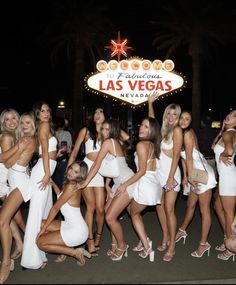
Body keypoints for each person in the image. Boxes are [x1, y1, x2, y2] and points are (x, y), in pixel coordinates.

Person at [76, 118, 135, 261]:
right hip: (118, 183)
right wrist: (108, 184)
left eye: (107, 129)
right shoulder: (112, 142)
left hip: (127, 182)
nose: (103, 131)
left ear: (113, 131)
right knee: (108, 213)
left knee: (109, 217)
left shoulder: (109, 142)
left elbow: (96, 165)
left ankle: (122, 245)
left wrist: (84, 182)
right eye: (103, 128)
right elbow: (112, 166)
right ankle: (114, 243)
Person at [0, 112, 37, 284]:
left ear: (33, 124)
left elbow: (5, 161)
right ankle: (36, 248)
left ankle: (6, 262)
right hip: (14, 181)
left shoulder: (25, 140)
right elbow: (8, 162)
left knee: (2, 222)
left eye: (26, 122)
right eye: (21, 122)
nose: (21, 124)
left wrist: (16, 148)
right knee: (18, 222)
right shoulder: (19, 139)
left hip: (19, 183)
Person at [175, 111, 217, 258]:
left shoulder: (187, 133)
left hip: (202, 175)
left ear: (190, 122)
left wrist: (191, 176)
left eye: (188, 119)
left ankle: (204, 244)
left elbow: (191, 159)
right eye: (182, 118)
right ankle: (182, 230)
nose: (184, 121)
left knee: (204, 209)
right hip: (195, 173)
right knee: (190, 205)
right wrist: (186, 176)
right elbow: (184, 158)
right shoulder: (180, 133)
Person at [21, 101, 57, 269]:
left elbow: (47, 150)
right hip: (43, 171)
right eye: (42, 111)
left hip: (45, 169)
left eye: (47, 110)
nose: (46, 113)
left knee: (43, 212)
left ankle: (40, 251)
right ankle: (32, 258)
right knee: (36, 214)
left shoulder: (46, 126)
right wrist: (48, 173)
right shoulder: (43, 125)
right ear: (37, 114)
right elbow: (44, 149)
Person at [36, 161, 91, 266]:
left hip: (77, 231)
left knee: (40, 242)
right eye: (71, 169)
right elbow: (61, 196)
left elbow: (56, 207)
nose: (71, 172)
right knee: (40, 224)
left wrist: (43, 230)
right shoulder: (70, 184)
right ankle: (64, 248)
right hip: (70, 225)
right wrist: (53, 184)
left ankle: (74, 252)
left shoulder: (72, 186)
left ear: (80, 175)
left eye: (76, 172)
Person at [148, 92, 182, 262]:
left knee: (169, 209)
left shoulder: (177, 130)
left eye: (174, 114)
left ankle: (172, 246)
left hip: (171, 174)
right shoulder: (164, 130)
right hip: (160, 174)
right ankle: (165, 236)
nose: (171, 116)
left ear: (178, 116)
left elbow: (176, 156)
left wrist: (170, 178)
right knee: (160, 207)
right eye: (169, 113)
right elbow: (152, 122)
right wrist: (150, 103)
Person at [129, 117, 162, 262]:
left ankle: (147, 245)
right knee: (133, 211)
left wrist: (124, 185)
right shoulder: (154, 145)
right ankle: (143, 241)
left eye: (146, 127)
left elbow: (141, 171)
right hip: (154, 184)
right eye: (141, 125)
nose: (142, 128)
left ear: (152, 131)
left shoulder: (142, 145)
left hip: (145, 184)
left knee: (134, 213)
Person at [0, 108, 26, 259]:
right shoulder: (6, 136)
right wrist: (20, 147)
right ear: (3, 123)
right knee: (13, 218)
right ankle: (28, 243)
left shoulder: (16, 136)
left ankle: (22, 243)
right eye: (7, 119)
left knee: (12, 216)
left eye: (13, 118)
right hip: (4, 180)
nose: (11, 122)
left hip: (7, 180)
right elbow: (6, 161)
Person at [213, 110, 236, 261]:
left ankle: (231, 248)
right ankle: (227, 236)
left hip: (228, 178)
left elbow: (229, 150)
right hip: (226, 177)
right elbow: (213, 146)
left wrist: (224, 154)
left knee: (229, 215)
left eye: (235, 117)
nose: (230, 116)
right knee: (217, 207)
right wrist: (222, 129)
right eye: (231, 113)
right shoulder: (227, 132)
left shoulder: (229, 134)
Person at [52, 117, 73, 189]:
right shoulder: (67, 133)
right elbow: (69, 148)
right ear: (64, 125)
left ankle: (58, 198)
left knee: (57, 182)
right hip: (63, 160)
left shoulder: (53, 134)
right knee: (65, 182)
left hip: (53, 161)